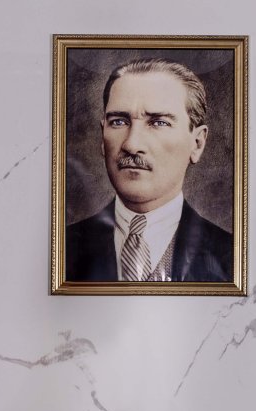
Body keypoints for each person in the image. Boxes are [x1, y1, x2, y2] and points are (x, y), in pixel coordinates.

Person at [66, 57, 233, 282]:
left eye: (158, 123)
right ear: (102, 137)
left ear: (197, 143)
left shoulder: (232, 258)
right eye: (118, 122)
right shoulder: (62, 250)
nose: (132, 144)